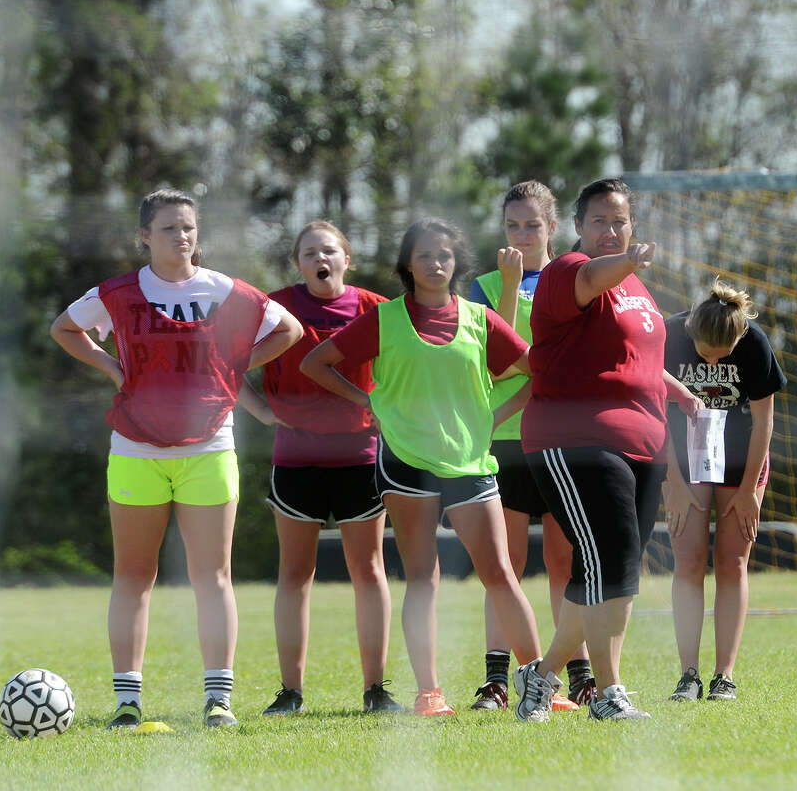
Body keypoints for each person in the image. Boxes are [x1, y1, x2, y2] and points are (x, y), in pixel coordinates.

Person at [50, 188, 302, 729]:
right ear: (144, 236)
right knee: (133, 576)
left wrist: (231, 367)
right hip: (135, 449)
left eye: (188, 227)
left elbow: (289, 329)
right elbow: (64, 328)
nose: (181, 237)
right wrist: (113, 369)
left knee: (212, 576)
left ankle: (219, 699)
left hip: (209, 447)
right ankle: (126, 702)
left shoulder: (223, 289)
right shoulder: (117, 293)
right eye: (168, 228)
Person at [300, 217, 554, 721]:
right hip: (406, 463)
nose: (436, 264)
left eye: (444, 255)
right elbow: (315, 363)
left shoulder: (480, 319)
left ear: (456, 262)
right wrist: (368, 402)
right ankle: (430, 693)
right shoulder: (384, 319)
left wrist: (494, 416)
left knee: (500, 574)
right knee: (424, 579)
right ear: (408, 265)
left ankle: (540, 683)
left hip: (469, 464)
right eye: (424, 256)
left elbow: (534, 371)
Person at [516, 178, 702, 722]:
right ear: (578, 227)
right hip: (574, 439)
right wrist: (628, 261)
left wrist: (680, 393)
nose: (610, 230)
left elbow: (638, 359)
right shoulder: (566, 272)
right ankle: (608, 693)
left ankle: (542, 674)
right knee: (613, 559)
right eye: (599, 220)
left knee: (609, 566)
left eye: (619, 221)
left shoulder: (639, 292)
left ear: (632, 224)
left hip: (644, 444)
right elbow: (594, 278)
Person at [237, 220, 401, 715]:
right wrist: (262, 410)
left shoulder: (376, 309)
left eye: (328, 250)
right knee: (295, 574)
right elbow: (225, 363)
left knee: (369, 570)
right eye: (309, 253)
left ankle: (376, 690)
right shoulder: (274, 308)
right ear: (298, 263)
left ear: (346, 258)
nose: (319, 259)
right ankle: (291, 693)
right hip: (296, 458)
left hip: (360, 458)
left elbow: (401, 371)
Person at [466, 181, 591, 712]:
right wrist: (512, 287)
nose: (522, 234)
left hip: (563, 438)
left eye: (533, 225)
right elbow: (495, 359)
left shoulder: (576, 277)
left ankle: (577, 675)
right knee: (505, 566)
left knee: (567, 563)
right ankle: (498, 678)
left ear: (553, 228)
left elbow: (572, 359)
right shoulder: (485, 286)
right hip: (505, 443)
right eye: (514, 225)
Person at [662, 278, 786, 702]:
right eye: (705, 355)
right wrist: (673, 483)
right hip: (685, 462)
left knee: (732, 563)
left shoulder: (755, 344)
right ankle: (688, 675)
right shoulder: (669, 336)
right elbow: (652, 412)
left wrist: (750, 489)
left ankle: (724, 676)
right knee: (689, 561)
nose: (713, 364)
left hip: (741, 464)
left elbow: (764, 422)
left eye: (722, 356)